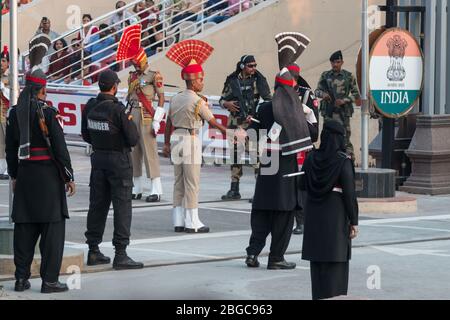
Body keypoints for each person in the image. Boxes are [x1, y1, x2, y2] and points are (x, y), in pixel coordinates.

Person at [5, 34, 76, 293]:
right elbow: (60, 148)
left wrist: (14, 174)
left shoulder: (14, 113)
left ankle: (21, 279)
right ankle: (49, 281)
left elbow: (10, 149)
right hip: (47, 177)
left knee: (24, 230)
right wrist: (68, 176)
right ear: (43, 89)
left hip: (24, 175)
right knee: (52, 231)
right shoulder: (48, 112)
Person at [245, 32, 313, 270]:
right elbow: (311, 137)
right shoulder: (296, 112)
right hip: (285, 170)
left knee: (262, 214)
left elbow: (251, 134)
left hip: (267, 166)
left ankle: (252, 254)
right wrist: (311, 115)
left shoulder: (263, 107)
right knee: (283, 216)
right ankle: (276, 258)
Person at [164, 39, 229, 233]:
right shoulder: (197, 101)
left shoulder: (175, 98)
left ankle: (178, 220)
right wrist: (230, 132)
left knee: (178, 181)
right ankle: (192, 222)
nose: (202, 81)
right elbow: (212, 122)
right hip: (190, 139)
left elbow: (168, 123)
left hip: (176, 138)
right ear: (193, 80)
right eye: (200, 79)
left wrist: (166, 143)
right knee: (192, 182)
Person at [81, 69, 143, 270]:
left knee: (97, 205)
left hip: (98, 159)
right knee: (122, 207)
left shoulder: (91, 106)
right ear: (115, 87)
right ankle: (121, 254)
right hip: (119, 161)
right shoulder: (119, 110)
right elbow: (133, 139)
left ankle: (93, 250)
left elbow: (86, 134)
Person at [301, 120, 359, 300]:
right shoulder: (343, 161)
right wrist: (354, 221)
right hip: (335, 220)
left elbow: (301, 184)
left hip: (314, 219)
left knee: (317, 274)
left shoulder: (311, 157)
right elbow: (349, 194)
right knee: (336, 277)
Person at [117, 24, 165, 202]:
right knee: (133, 151)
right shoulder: (132, 77)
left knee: (149, 152)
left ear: (143, 60)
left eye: (136, 62)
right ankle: (136, 187)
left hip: (146, 115)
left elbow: (161, 97)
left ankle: (156, 189)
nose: (134, 65)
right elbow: (129, 96)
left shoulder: (154, 75)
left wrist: (158, 119)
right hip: (133, 114)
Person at [220, 54, 271, 201]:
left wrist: (256, 114)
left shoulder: (258, 80)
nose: (254, 68)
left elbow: (268, 100)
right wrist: (227, 104)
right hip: (235, 123)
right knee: (235, 156)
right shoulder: (232, 80)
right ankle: (234, 189)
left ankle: (260, 192)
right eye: (250, 66)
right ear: (243, 66)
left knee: (256, 157)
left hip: (252, 123)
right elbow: (222, 98)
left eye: (255, 65)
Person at [286, 62, 319, 235]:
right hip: (286, 146)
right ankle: (290, 219)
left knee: (300, 186)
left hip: (303, 147)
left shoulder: (306, 94)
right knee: (287, 186)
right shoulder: (280, 94)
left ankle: (302, 220)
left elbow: (315, 131)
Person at [315, 50, 360, 161]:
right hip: (329, 112)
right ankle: (326, 157)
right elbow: (316, 91)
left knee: (345, 136)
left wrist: (344, 100)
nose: (335, 65)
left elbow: (356, 95)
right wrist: (323, 94)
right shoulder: (325, 76)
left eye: (338, 62)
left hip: (343, 112)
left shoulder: (349, 77)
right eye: (333, 62)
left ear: (342, 62)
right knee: (327, 135)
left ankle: (349, 159)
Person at [0, 46, 10, 180]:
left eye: (3, 60)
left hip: (6, 113)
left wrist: (3, 88)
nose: (1, 63)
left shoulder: (11, 77)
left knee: (8, 142)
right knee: (0, 143)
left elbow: (14, 95)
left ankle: (9, 167)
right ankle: (2, 167)